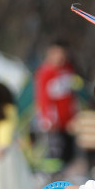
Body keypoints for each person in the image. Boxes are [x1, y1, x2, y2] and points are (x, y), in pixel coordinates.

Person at [34, 40, 80, 175]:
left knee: (68, 153)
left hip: (68, 121)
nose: (60, 57)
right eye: (57, 53)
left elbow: (72, 96)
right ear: (50, 53)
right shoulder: (45, 72)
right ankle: (49, 180)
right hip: (53, 122)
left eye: (63, 54)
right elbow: (42, 97)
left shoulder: (69, 69)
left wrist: (74, 116)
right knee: (54, 153)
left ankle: (63, 178)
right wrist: (47, 118)